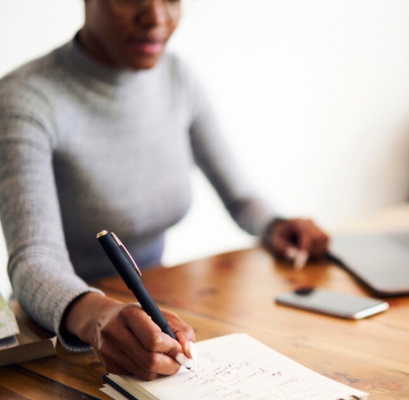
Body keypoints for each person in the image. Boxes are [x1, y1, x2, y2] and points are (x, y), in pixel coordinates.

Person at [0, 0, 329, 381]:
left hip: (158, 314)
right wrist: (99, 316)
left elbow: (241, 197)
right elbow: (33, 261)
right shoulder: (23, 98)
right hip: (59, 332)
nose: (156, 18)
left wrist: (276, 225)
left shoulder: (176, 76)